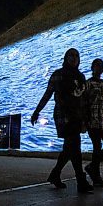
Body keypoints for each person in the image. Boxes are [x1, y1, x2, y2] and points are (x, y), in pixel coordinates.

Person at [31, 48, 93, 193]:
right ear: (65, 58)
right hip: (63, 116)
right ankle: (81, 181)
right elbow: (47, 94)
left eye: (76, 55)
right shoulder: (58, 74)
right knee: (75, 146)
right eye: (71, 55)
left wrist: (85, 119)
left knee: (69, 148)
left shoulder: (80, 76)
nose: (74, 58)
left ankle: (55, 174)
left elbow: (83, 99)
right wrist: (37, 111)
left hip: (77, 116)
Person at [84, 59, 103, 187]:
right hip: (93, 121)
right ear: (92, 67)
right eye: (97, 65)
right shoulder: (88, 84)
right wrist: (85, 120)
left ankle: (92, 167)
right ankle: (96, 177)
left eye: (102, 65)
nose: (100, 68)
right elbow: (84, 103)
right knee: (97, 148)